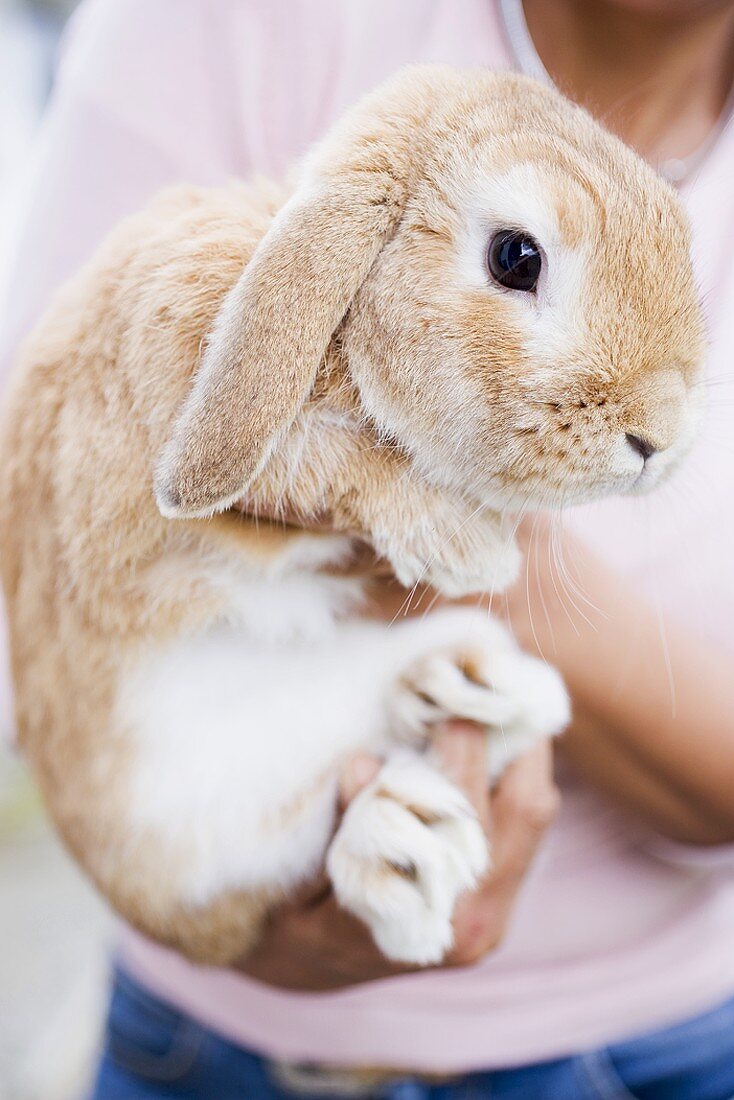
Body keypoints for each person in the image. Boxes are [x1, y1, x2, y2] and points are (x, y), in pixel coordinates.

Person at [2, 0, 734, 1096]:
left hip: (654, 1036)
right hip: (214, 1023)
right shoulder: (218, 32)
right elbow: (47, 520)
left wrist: (492, 563)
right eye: (521, 258)